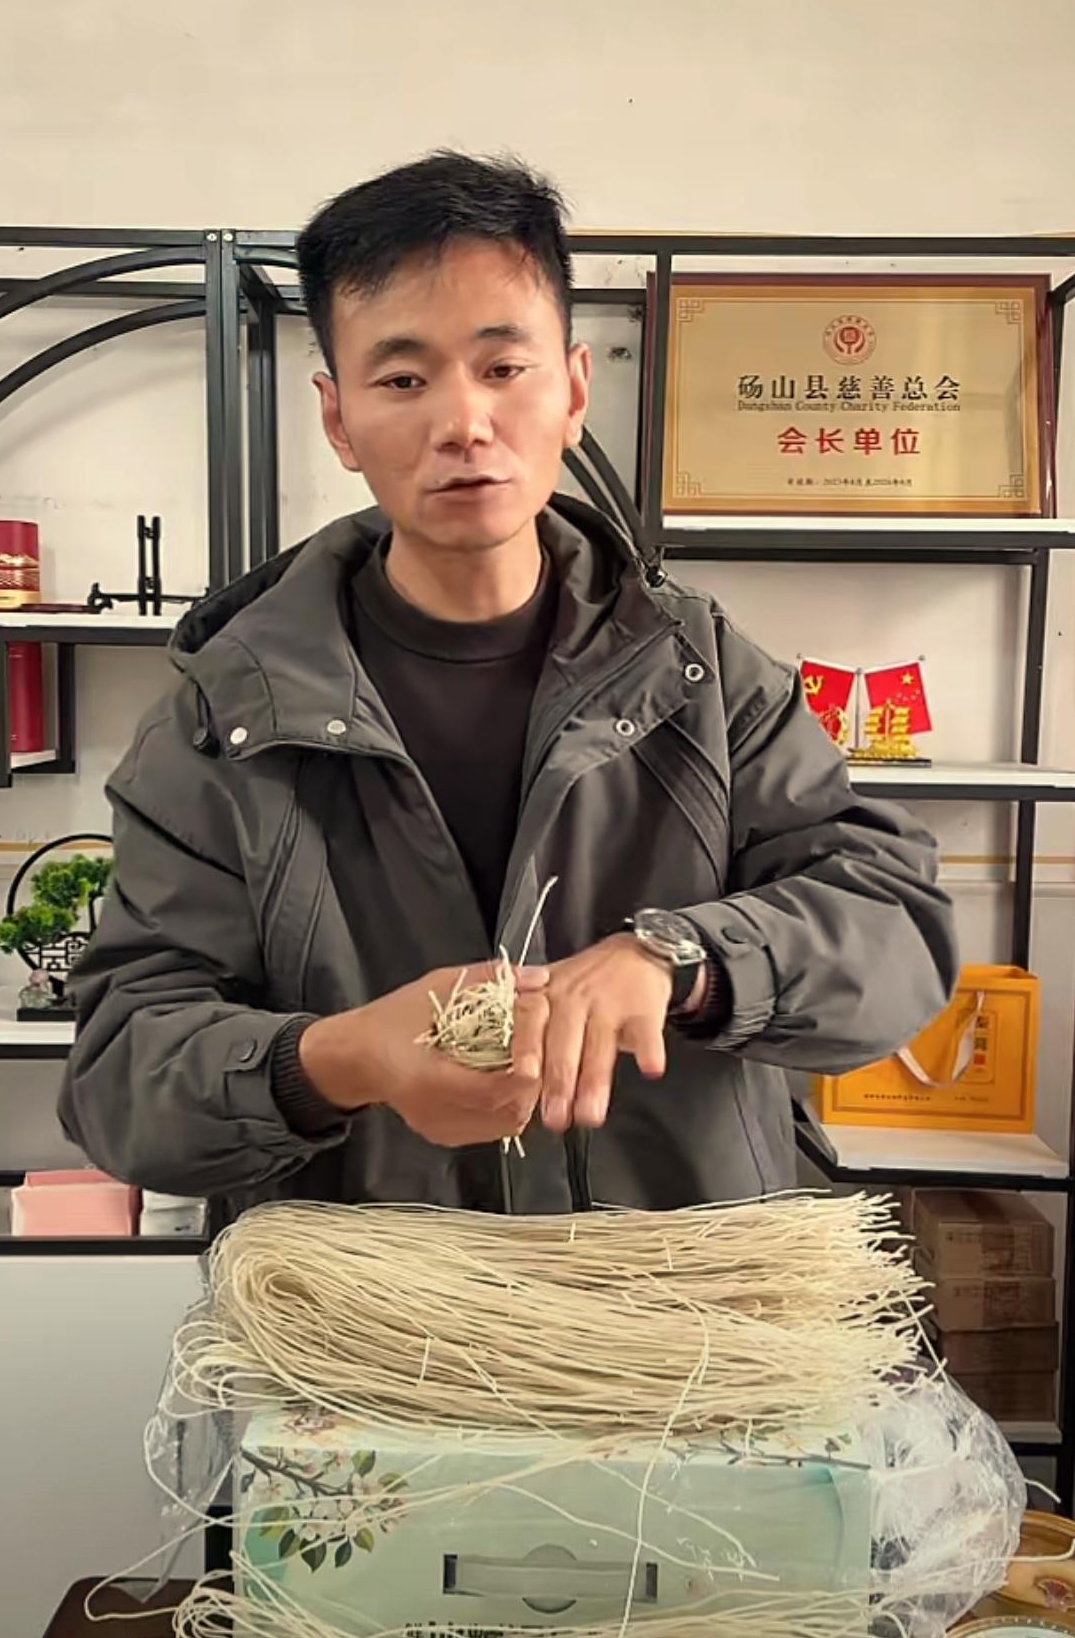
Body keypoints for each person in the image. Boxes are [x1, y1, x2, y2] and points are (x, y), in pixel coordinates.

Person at [58, 151, 958, 1219]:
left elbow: (895, 931)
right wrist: (343, 1058)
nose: (463, 423)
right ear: (338, 419)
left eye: (502, 367)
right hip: (369, 1301)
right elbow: (120, 1079)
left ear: (572, 389)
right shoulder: (227, 715)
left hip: (674, 1294)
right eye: (403, 380)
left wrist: (682, 960)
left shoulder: (702, 675)